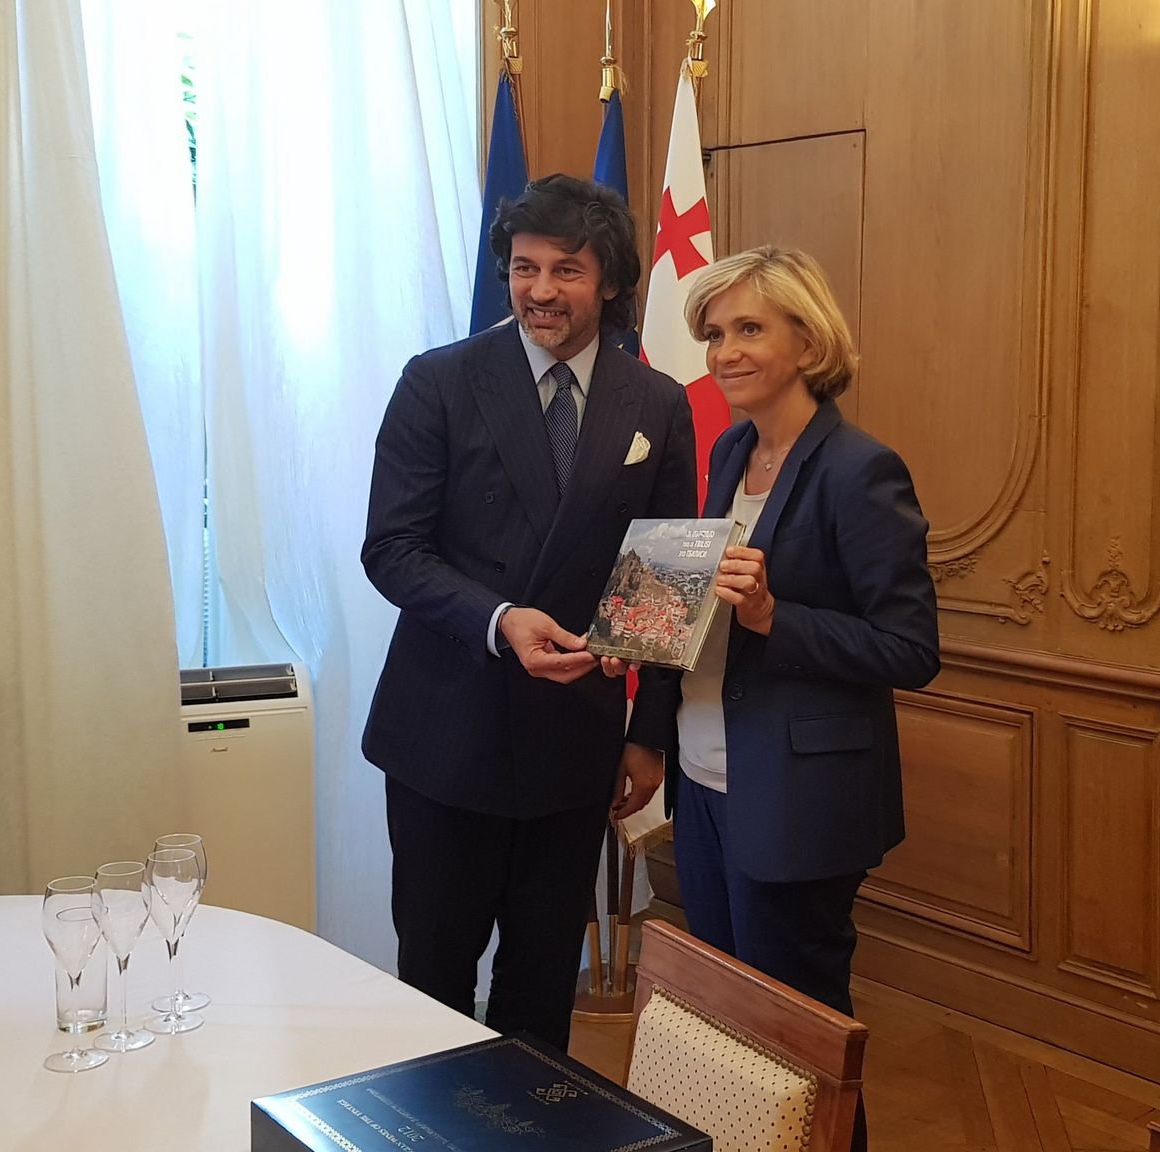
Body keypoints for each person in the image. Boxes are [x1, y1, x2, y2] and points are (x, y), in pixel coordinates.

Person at [361, 174, 697, 1051]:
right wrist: (501, 617)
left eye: (566, 271)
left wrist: (647, 737)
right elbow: (391, 548)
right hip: (445, 738)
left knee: (542, 991)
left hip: (574, 744)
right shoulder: (438, 381)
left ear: (610, 281)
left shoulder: (657, 403)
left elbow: (666, 579)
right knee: (432, 984)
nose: (540, 291)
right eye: (524, 268)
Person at [616, 246, 939, 1151]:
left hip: (800, 800)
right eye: (715, 334)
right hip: (706, 781)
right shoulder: (730, 451)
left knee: (799, 1036)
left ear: (808, 339)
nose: (724, 352)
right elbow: (700, 608)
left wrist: (772, 617)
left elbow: (912, 648)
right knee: (730, 1020)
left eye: (749, 329)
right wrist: (636, 635)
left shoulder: (860, 469)